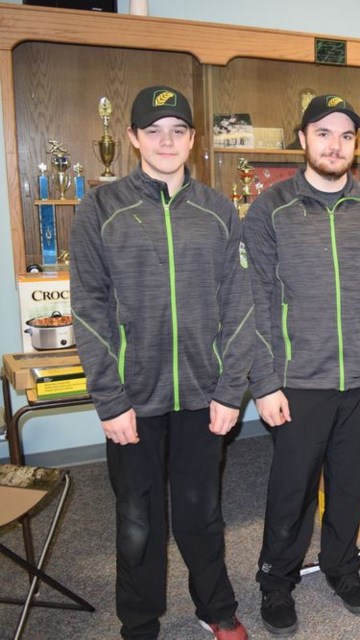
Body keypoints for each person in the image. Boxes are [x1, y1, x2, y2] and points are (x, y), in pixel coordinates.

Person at [70, 85, 252, 640]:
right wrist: (109, 398)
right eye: (154, 131)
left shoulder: (219, 211)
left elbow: (241, 306)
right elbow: (89, 310)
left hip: (203, 395)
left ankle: (214, 606)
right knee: (137, 519)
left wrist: (230, 391)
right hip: (133, 400)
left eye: (178, 131)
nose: (166, 141)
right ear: (133, 138)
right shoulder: (100, 209)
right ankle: (140, 621)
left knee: (202, 512)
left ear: (194, 140)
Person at [244, 94, 360, 635]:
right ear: (303, 140)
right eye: (323, 133)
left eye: (344, 136)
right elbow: (256, 303)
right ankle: (276, 581)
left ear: (354, 145)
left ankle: (343, 567)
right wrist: (265, 384)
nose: (334, 144)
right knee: (291, 491)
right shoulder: (272, 209)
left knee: (351, 485)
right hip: (298, 384)